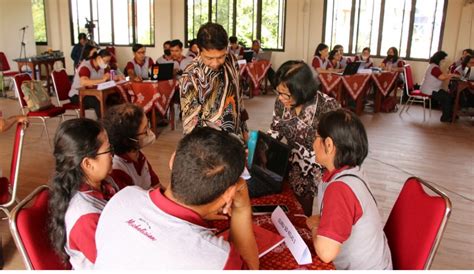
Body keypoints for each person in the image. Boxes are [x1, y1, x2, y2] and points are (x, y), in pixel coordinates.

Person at [94, 127, 259, 270]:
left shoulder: (123, 198)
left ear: (172, 160)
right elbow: (249, 267)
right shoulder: (217, 259)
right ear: (229, 194)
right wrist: (242, 208)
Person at [307, 109, 392, 270]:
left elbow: (326, 253)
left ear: (329, 145)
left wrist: (314, 226)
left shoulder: (339, 189)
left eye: (316, 137)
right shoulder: (352, 172)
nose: (313, 143)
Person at [268, 60, 340, 216]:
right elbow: (275, 129)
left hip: (320, 166)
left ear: (302, 90)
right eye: (278, 92)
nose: (280, 98)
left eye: (285, 94)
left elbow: (336, 147)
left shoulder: (327, 107)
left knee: (305, 212)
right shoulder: (281, 102)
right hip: (292, 159)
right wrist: (261, 146)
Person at [48, 118, 118, 269]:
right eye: (108, 150)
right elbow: (115, 265)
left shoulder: (105, 183)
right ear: (88, 164)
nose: (113, 154)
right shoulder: (85, 217)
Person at [179, 22, 248, 140]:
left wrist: (244, 130)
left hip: (235, 136)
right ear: (199, 50)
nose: (215, 63)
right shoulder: (191, 75)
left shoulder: (231, 60)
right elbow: (190, 124)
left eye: (221, 56)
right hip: (209, 143)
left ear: (227, 49)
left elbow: (238, 96)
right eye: (209, 58)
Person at [102, 103, 161, 190]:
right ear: (129, 139)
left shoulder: (138, 154)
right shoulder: (118, 169)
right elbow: (134, 201)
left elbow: (156, 185)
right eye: (145, 129)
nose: (150, 132)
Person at [68, 49, 121, 118]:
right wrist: (102, 80)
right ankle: (103, 124)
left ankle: (115, 120)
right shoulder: (85, 67)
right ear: (99, 58)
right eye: (106, 61)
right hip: (77, 95)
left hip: (94, 92)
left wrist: (117, 77)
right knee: (98, 101)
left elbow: (107, 77)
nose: (107, 64)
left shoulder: (102, 67)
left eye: (108, 62)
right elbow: (84, 82)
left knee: (114, 98)